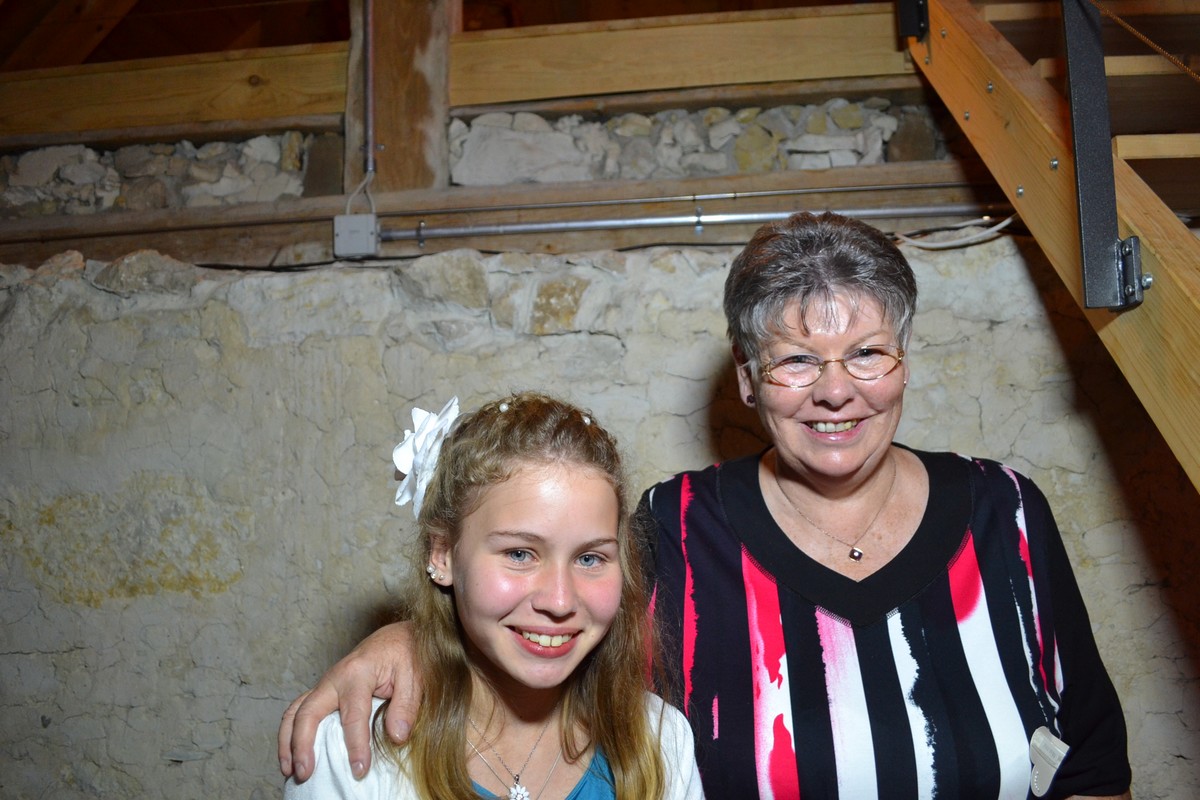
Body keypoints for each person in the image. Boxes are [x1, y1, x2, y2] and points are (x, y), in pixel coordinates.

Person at [280, 213, 1131, 799]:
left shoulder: (1005, 513)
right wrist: (407, 638)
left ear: (904, 360)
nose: (837, 390)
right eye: (797, 360)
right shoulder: (679, 528)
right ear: (748, 378)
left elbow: (1092, 765)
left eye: (868, 352)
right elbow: (555, 633)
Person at [284, 392, 703, 799]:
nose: (560, 601)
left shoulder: (660, 743)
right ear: (443, 554)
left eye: (590, 558)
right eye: (519, 554)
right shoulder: (352, 751)